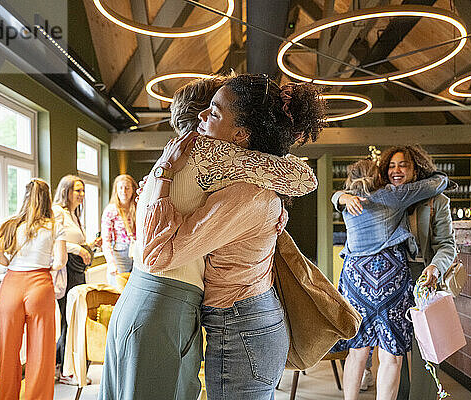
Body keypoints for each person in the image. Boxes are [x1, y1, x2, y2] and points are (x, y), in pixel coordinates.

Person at [98, 74, 323, 400]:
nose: (204, 119)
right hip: (190, 307)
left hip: (227, 315)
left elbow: (294, 181)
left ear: (240, 133)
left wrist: (162, 173)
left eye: (214, 112)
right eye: (206, 110)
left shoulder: (219, 175)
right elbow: (299, 178)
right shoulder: (203, 165)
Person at [330, 158, 448, 400]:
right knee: (390, 353)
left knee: (357, 350)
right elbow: (437, 184)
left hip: (355, 279)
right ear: (379, 176)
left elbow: (334, 196)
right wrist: (432, 172)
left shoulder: (347, 203)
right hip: (388, 279)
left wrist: (341, 196)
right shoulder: (393, 195)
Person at [376, 146, 457, 400]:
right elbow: (343, 194)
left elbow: (446, 245)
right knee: (393, 347)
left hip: (423, 276)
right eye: (391, 165)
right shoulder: (383, 197)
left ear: (416, 168)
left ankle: (423, 396)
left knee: (426, 345)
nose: (396, 170)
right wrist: (340, 199)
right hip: (389, 278)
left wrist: (435, 267)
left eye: (403, 165)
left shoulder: (436, 200)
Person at [0, 179, 67, 400]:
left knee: (7, 350)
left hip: (11, 285)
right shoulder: (54, 225)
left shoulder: (12, 224)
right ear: (47, 198)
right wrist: (45, 267)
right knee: (40, 353)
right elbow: (61, 260)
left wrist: (13, 266)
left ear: (25, 196)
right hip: (40, 285)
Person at [53, 175, 100, 384]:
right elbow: (55, 242)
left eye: (82, 190)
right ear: (66, 192)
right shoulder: (58, 212)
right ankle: (66, 371)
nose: (81, 194)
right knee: (69, 319)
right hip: (66, 272)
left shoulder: (74, 214)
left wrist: (90, 245)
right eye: (77, 190)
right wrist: (78, 249)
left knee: (72, 319)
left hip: (77, 270)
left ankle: (59, 365)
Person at [101, 174, 138, 284]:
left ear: (132, 190)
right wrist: (111, 263)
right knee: (119, 287)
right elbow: (106, 240)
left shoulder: (138, 208)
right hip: (119, 254)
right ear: (116, 190)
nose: (124, 191)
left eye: (127, 188)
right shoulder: (111, 210)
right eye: (120, 188)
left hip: (136, 252)